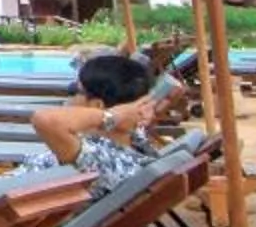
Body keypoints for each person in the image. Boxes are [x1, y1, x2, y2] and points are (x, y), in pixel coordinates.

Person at [30, 51, 163, 193]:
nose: (71, 96)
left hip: (13, 202)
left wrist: (112, 116)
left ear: (98, 106)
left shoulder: (100, 159)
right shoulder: (133, 138)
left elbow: (45, 119)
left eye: (76, 90)